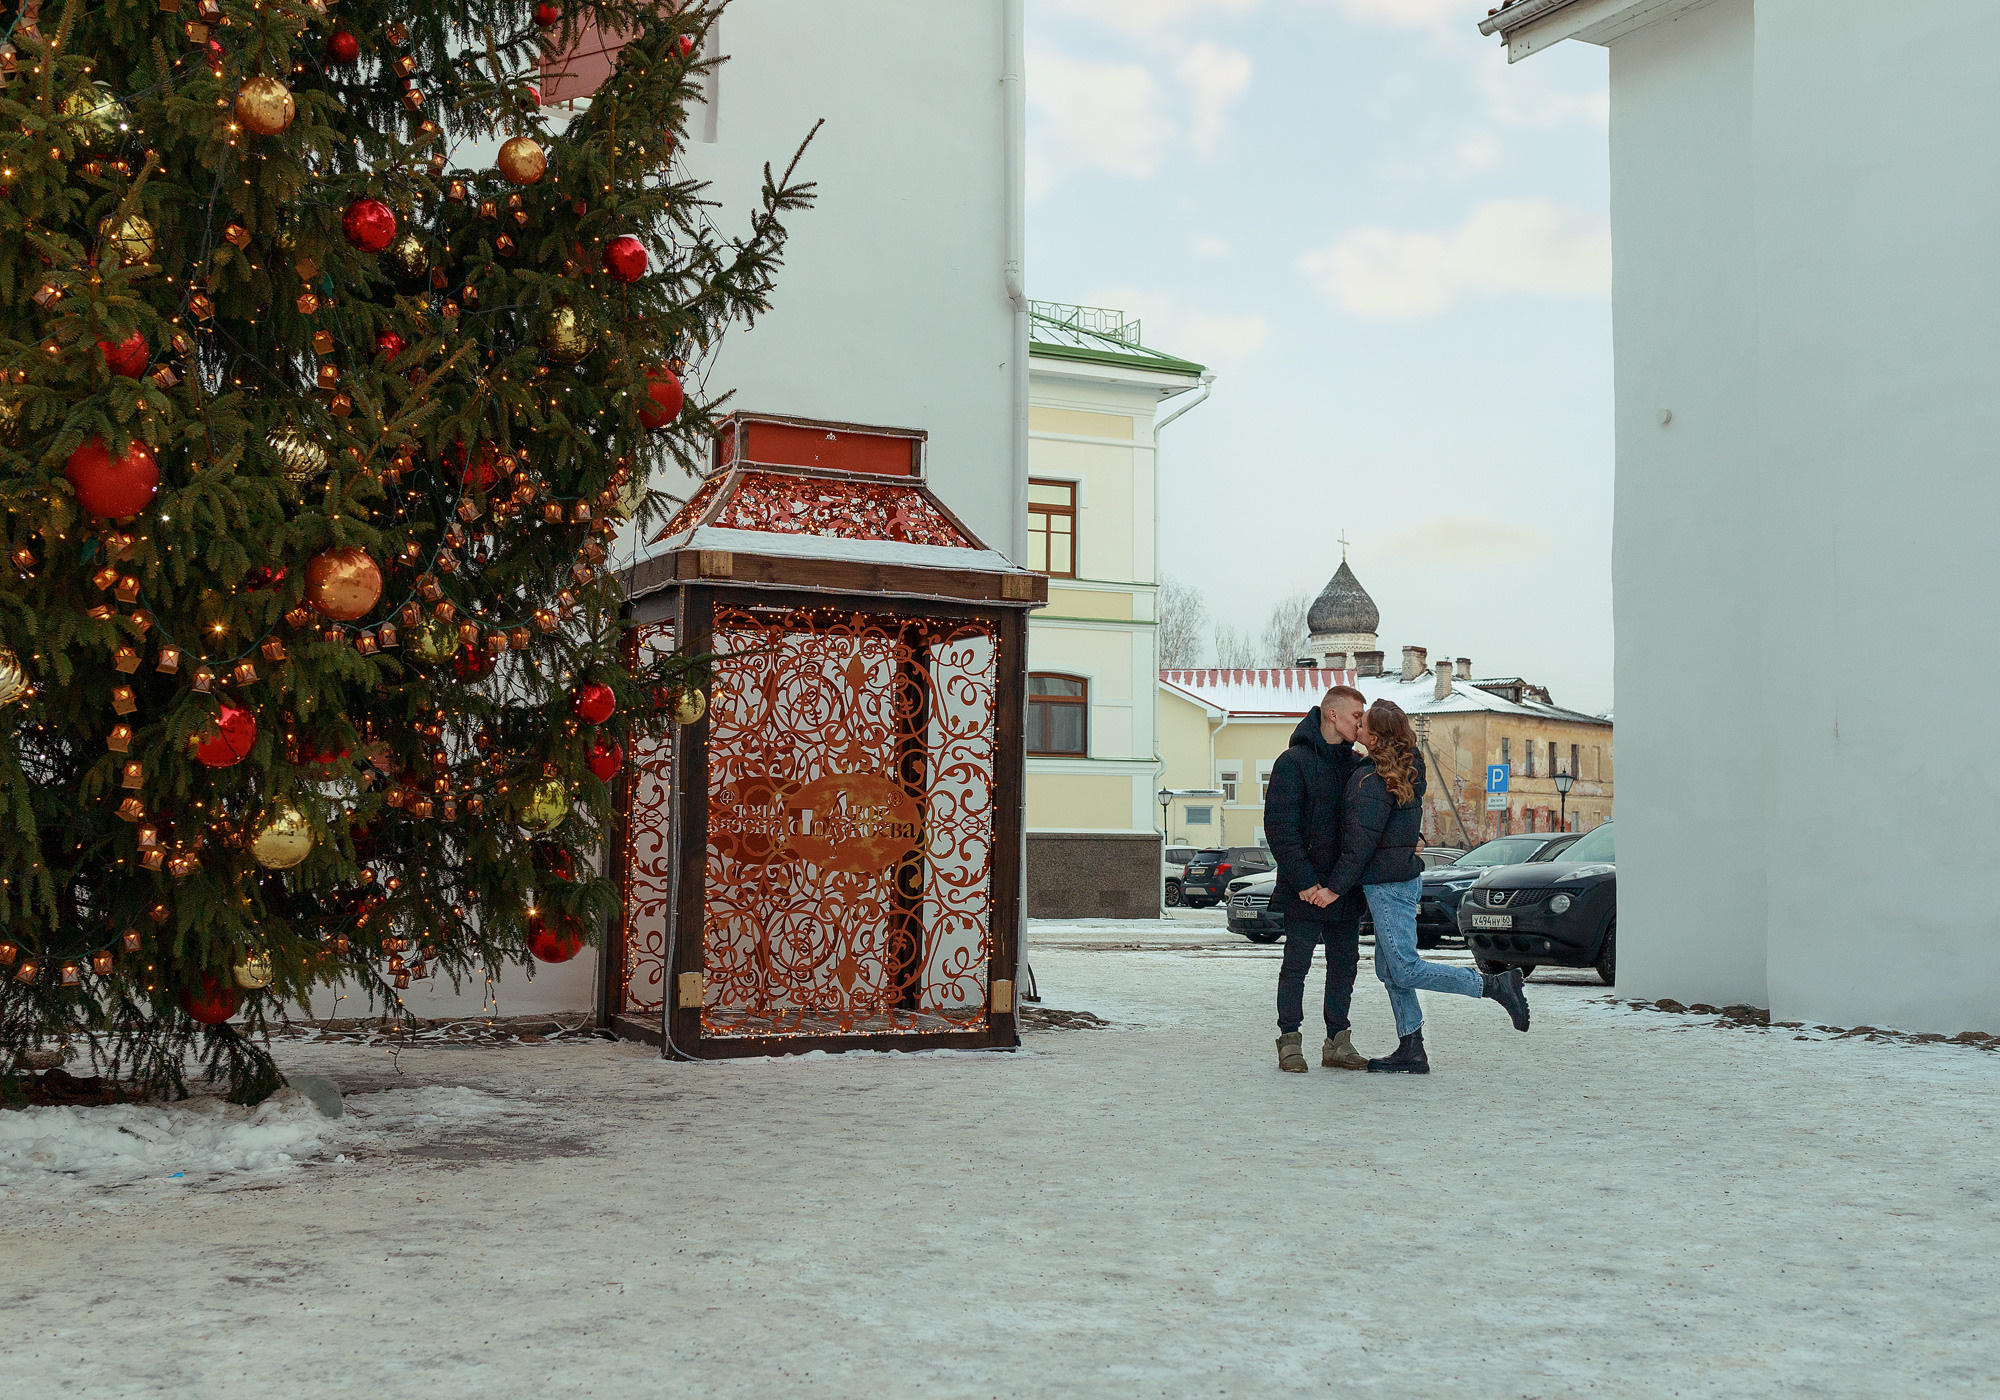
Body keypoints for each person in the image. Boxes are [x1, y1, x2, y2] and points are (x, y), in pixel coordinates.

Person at [1322, 699, 1531, 1073]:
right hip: (1395, 880)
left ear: (1378, 736)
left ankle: (1495, 986)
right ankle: (1411, 1047)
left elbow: (1361, 841)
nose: (1359, 728)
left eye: (1365, 724)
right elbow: (1393, 828)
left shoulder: (1374, 780)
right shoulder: (1397, 771)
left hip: (1388, 884)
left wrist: (1335, 887)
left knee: (1402, 968)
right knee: (1391, 971)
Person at [1264, 685, 1370, 1073]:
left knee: (1345, 965)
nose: (1361, 723)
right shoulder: (1292, 762)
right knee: (1297, 965)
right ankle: (1289, 1042)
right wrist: (1306, 882)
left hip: (1344, 887)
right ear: (1332, 715)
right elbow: (1280, 828)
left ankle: (1337, 1042)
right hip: (1303, 889)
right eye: (1356, 716)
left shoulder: (1358, 765)